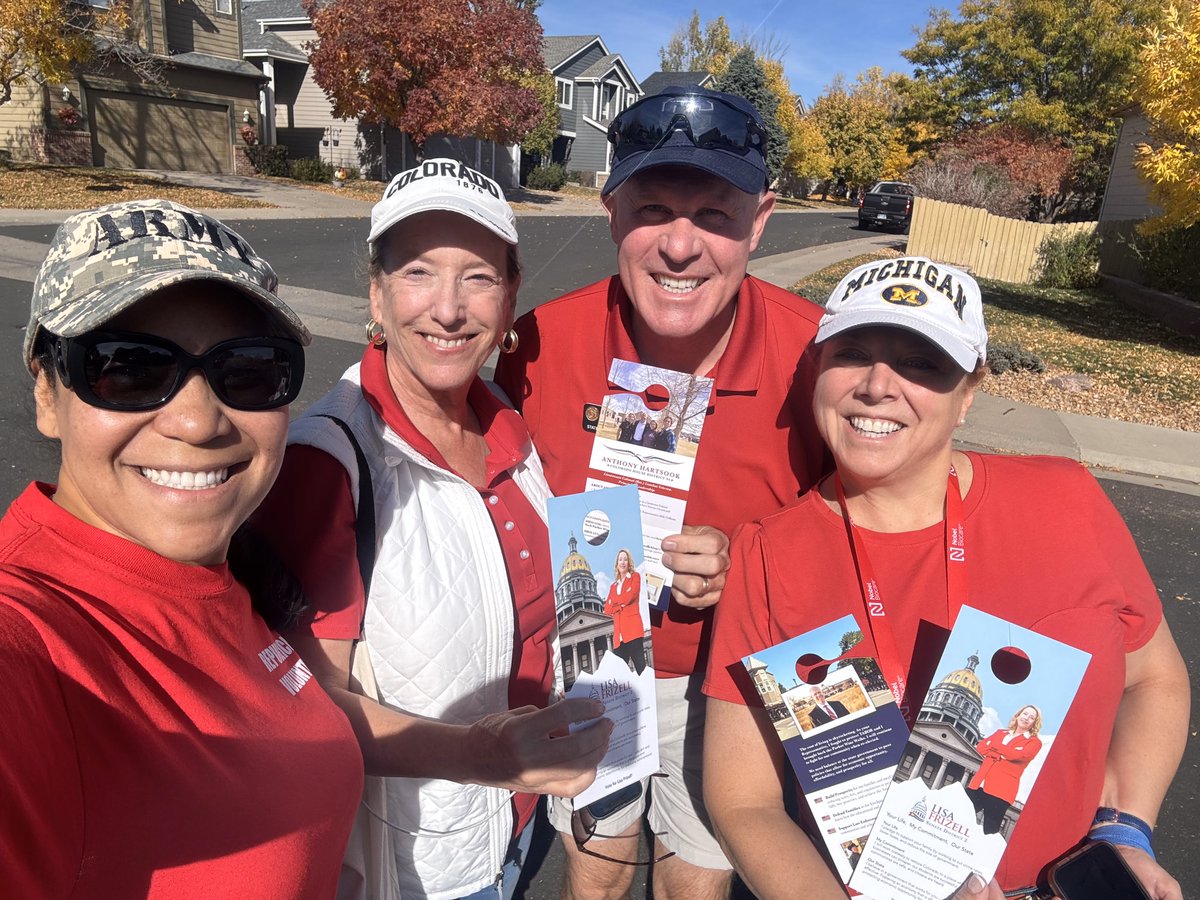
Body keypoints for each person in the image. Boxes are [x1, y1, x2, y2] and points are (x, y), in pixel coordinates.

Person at [703, 256, 1189, 900]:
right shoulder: (768, 556)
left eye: (922, 363)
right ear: (818, 371)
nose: (878, 385)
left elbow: (1156, 678)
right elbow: (743, 800)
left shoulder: (1065, 501)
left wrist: (1128, 829)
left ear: (968, 394)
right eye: (853, 353)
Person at [495, 85, 829, 900]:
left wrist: (744, 562)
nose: (681, 247)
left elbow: (864, 530)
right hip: (591, 661)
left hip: (733, 682)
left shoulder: (820, 358)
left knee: (694, 881)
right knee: (596, 870)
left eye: (714, 215)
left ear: (760, 220)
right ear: (611, 211)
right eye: (652, 209)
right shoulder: (538, 345)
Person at [254, 159, 610, 900]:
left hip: (515, 822)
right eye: (418, 272)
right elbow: (306, 707)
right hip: (419, 868)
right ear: (377, 294)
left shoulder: (510, 426)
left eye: (478, 277)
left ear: (510, 298)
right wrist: (481, 756)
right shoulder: (333, 462)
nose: (448, 309)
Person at [0, 199, 364, 897]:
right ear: (48, 391)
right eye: (128, 368)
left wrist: (483, 749)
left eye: (249, 369)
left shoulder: (222, 573)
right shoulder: (35, 641)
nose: (198, 421)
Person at [967, 705, 1044, 835]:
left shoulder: (1034, 742)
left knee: (989, 832)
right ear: (1018, 715)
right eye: (1025, 714)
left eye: (1031, 717)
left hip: (1001, 791)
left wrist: (993, 747)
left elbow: (1018, 756)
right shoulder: (1000, 733)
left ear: (1034, 723)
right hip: (978, 785)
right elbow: (980, 748)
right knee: (957, 815)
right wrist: (1003, 754)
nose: (1026, 718)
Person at [605, 548, 646, 675]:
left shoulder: (635, 577)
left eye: (625, 559)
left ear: (629, 563)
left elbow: (631, 596)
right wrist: (619, 604)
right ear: (617, 564)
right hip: (619, 637)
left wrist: (615, 604)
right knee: (620, 675)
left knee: (641, 670)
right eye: (620, 559)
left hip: (633, 631)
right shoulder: (613, 586)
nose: (622, 562)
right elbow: (607, 609)